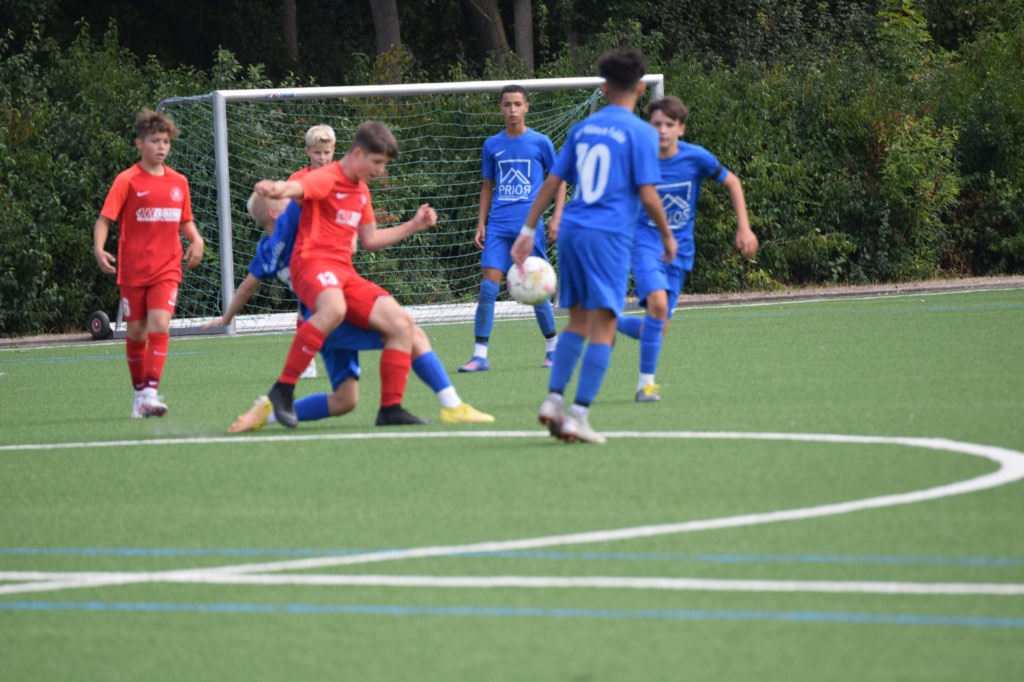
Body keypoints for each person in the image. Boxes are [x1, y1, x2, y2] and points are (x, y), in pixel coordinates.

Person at [204, 192, 494, 431]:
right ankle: (450, 405)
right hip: (333, 315)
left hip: (319, 321)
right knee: (409, 332)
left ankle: (266, 413)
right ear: (276, 214)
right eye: (287, 203)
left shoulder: (266, 249)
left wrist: (227, 317)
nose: (295, 204)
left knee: (345, 400)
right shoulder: (294, 232)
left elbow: (247, 287)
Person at [511, 49, 676, 444]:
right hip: (608, 235)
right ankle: (578, 416)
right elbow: (648, 194)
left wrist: (527, 230)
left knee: (578, 322)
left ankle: (554, 400)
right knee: (604, 327)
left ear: (603, 88)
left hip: (573, 230)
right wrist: (667, 235)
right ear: (641, 88)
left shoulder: (584, 129)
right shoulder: (641, 133)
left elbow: (552, 182)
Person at [254, 120, 436, 428]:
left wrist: (414, 225)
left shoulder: (360, 190)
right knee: (335, 309)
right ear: (358, 153)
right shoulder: (322, 178)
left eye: (327, 151)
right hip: (315, 272)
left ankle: (391, 408)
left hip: (340, 278)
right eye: (377, 162)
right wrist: (276, 189)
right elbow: (294, 187)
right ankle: (283, 387)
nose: (381, 170)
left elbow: (371, 239)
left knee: (346, 399)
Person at [618, 96, 759, 402]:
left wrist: (744, 227)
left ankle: (607, 321)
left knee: (656, 329)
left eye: (669, 124)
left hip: (681, 251)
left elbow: (733, 182)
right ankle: (646, 386)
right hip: (645, 243)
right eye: (656, 124)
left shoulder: (696, 158)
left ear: (681, 129)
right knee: (657, 305)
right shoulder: (637, 159)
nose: (662, 130)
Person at [93, 108, 205, 419]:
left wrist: (196, 240)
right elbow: (104, 220)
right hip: (133, 269)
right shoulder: (127, 180)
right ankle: (140, 395)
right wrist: (99, 249)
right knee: (136, 333)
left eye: (166, 142)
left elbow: (185, 220)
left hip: (167, 268)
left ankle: (150, 394)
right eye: (155, 141)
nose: (161, 147)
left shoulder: (179, 182)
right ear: (139, 144)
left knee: (159, 325)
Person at [459, 85, 566, 373]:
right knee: (487, 289)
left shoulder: (540, 142)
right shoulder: (491, 145)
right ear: (500, 108)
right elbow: (487, 186)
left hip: (528, 228)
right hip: (497, 226)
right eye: (507, 104)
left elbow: (558, 181)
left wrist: (557, 216)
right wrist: (481, 222)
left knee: (536, 289)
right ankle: (479, 356)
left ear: (527, 107)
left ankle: (553, 349)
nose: (512, 110)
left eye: (518, 104)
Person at [288, 124, 339, 380]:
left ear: (334, 151)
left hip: (335, 253)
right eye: (317, 152)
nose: (322, 157)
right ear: (308, 152)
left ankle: (335, 355)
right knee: (307, 307)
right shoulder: (296, 181)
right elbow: (286, 218)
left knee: (336, 307)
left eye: (326, 152)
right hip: (305, 254)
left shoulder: (343, 178)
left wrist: (351, 236)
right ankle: (306, 360)